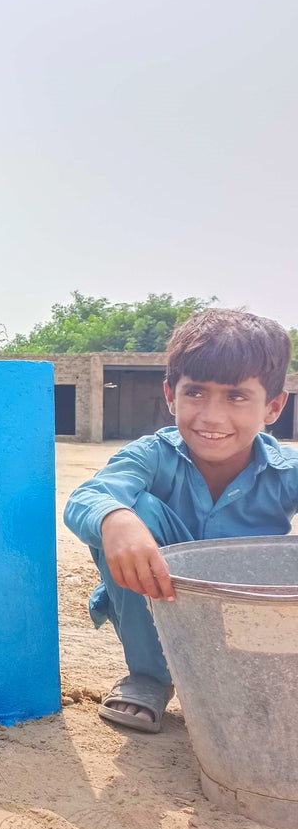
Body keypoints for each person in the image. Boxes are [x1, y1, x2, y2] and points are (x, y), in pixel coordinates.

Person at [64, 309, 298, 732]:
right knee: (129, 511)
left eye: (236, 396)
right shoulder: (152, 454)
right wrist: (116, 519)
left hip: (244, 619)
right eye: (196, 393)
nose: (211, 416)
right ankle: (150, 677)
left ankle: (245, 679)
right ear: (171, 396)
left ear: (274, 406)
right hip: (159, 612)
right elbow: (87, 497)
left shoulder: (287, 470)